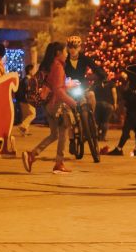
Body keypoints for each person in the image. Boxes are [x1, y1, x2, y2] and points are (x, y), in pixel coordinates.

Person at [22, 42, 78, 174]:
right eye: (65, 51)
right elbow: (58, 91)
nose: (67, 54)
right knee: (64, 132)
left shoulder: (49, 65)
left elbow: (54, 85)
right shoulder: (58, 67)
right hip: (57, 104)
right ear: (58, 53)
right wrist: (72, 102)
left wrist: (68, 86)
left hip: (48, 104)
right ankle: (59, 163)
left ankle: (32, 154)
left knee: (54, 134)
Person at [64, 36, 107, 111]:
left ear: (79, 48)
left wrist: (103, 77)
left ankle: (92, 119)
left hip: (82, 87)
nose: (73, 49)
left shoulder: (84, 58)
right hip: (68, 88)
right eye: (70, 47)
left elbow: (96, 68)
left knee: (91, 95)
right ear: (68, 48)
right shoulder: (64, 59)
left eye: (75, 47)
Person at [92, 75, 117, 142]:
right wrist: (115, 103)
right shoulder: (111, 83)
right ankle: (103, 137)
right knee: (105, 121)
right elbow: (114, 93)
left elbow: (92, 93)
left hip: (97, 103)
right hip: (108, 104)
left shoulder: (96, 83)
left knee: (97, 121)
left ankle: (96, 137)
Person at [15, 64, 37, 136]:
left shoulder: (24, 79)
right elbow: (28, 90)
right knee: (32, 114)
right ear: (30, 71)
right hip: (27, 100)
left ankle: (24, 132)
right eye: (34, 70)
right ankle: (23, 126)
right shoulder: (28, 80)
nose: (35, 71)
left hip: (21, 100)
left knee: (25, 116)